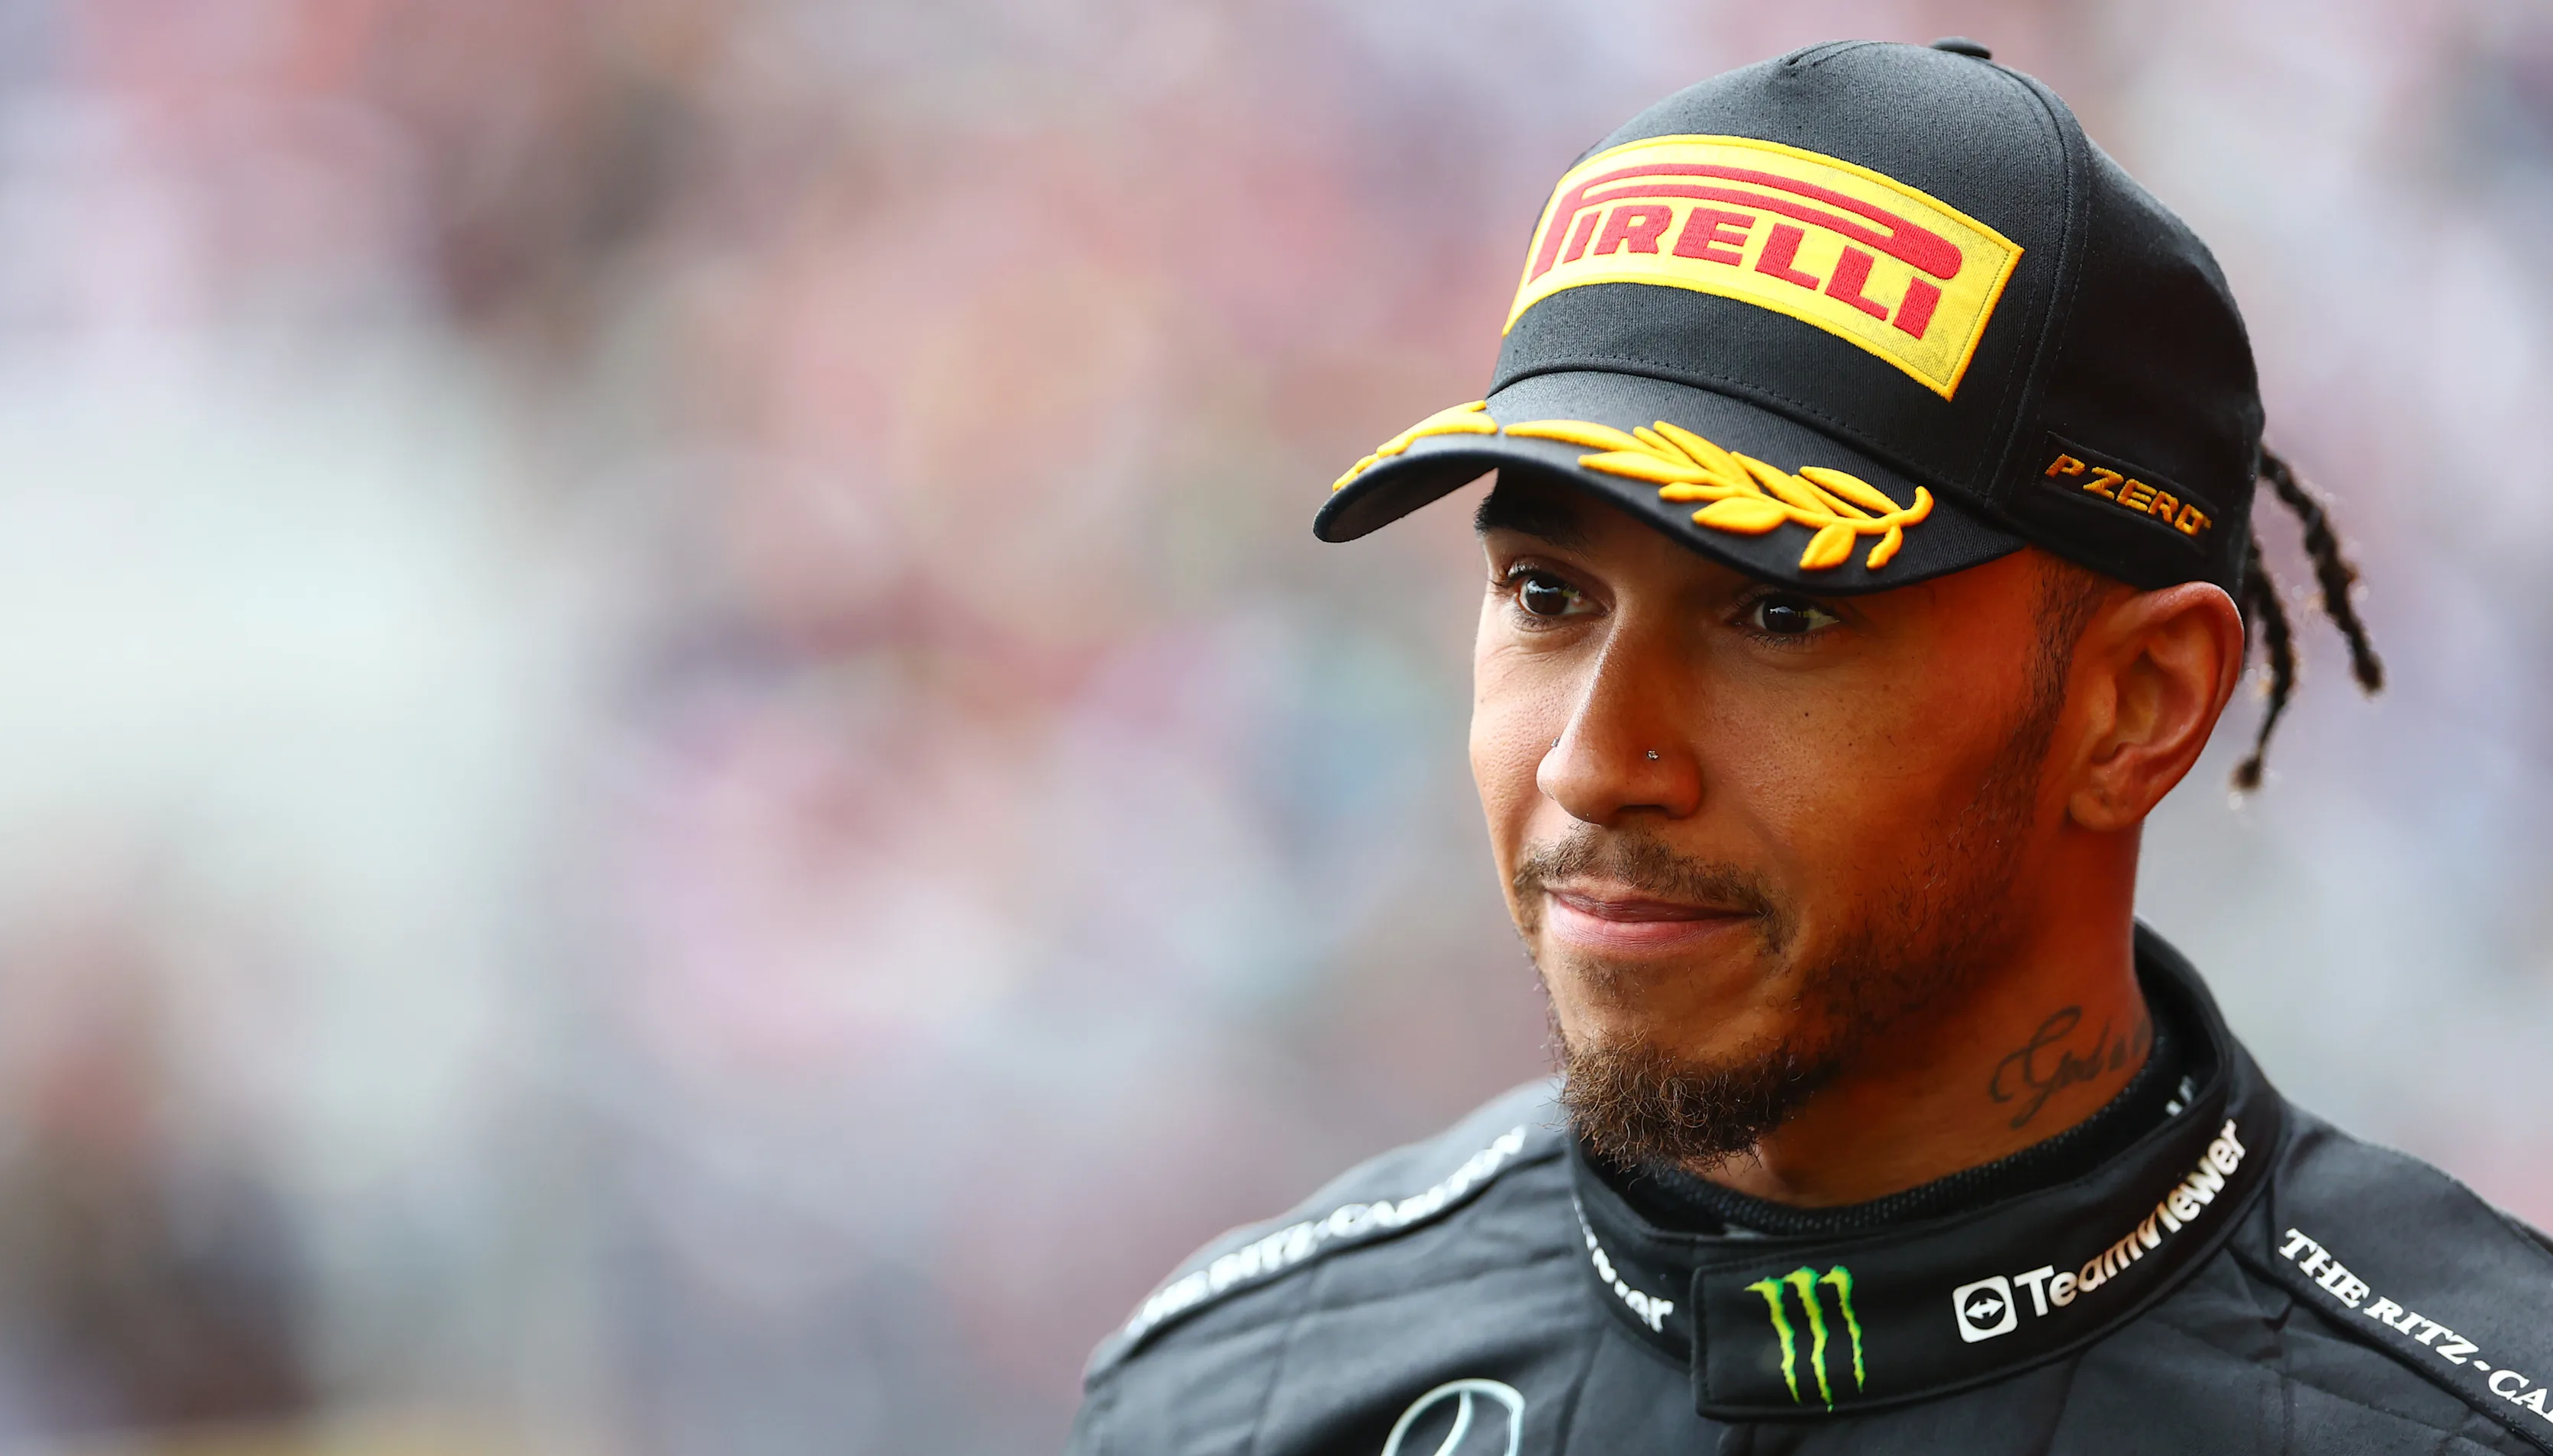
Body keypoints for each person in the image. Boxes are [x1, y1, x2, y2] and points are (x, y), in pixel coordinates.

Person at [1065, 38, 2553, 1456]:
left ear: (2137, 707)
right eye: (1546, 595)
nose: (1592, 764)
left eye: (1780, 615)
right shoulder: (1238, 1399)